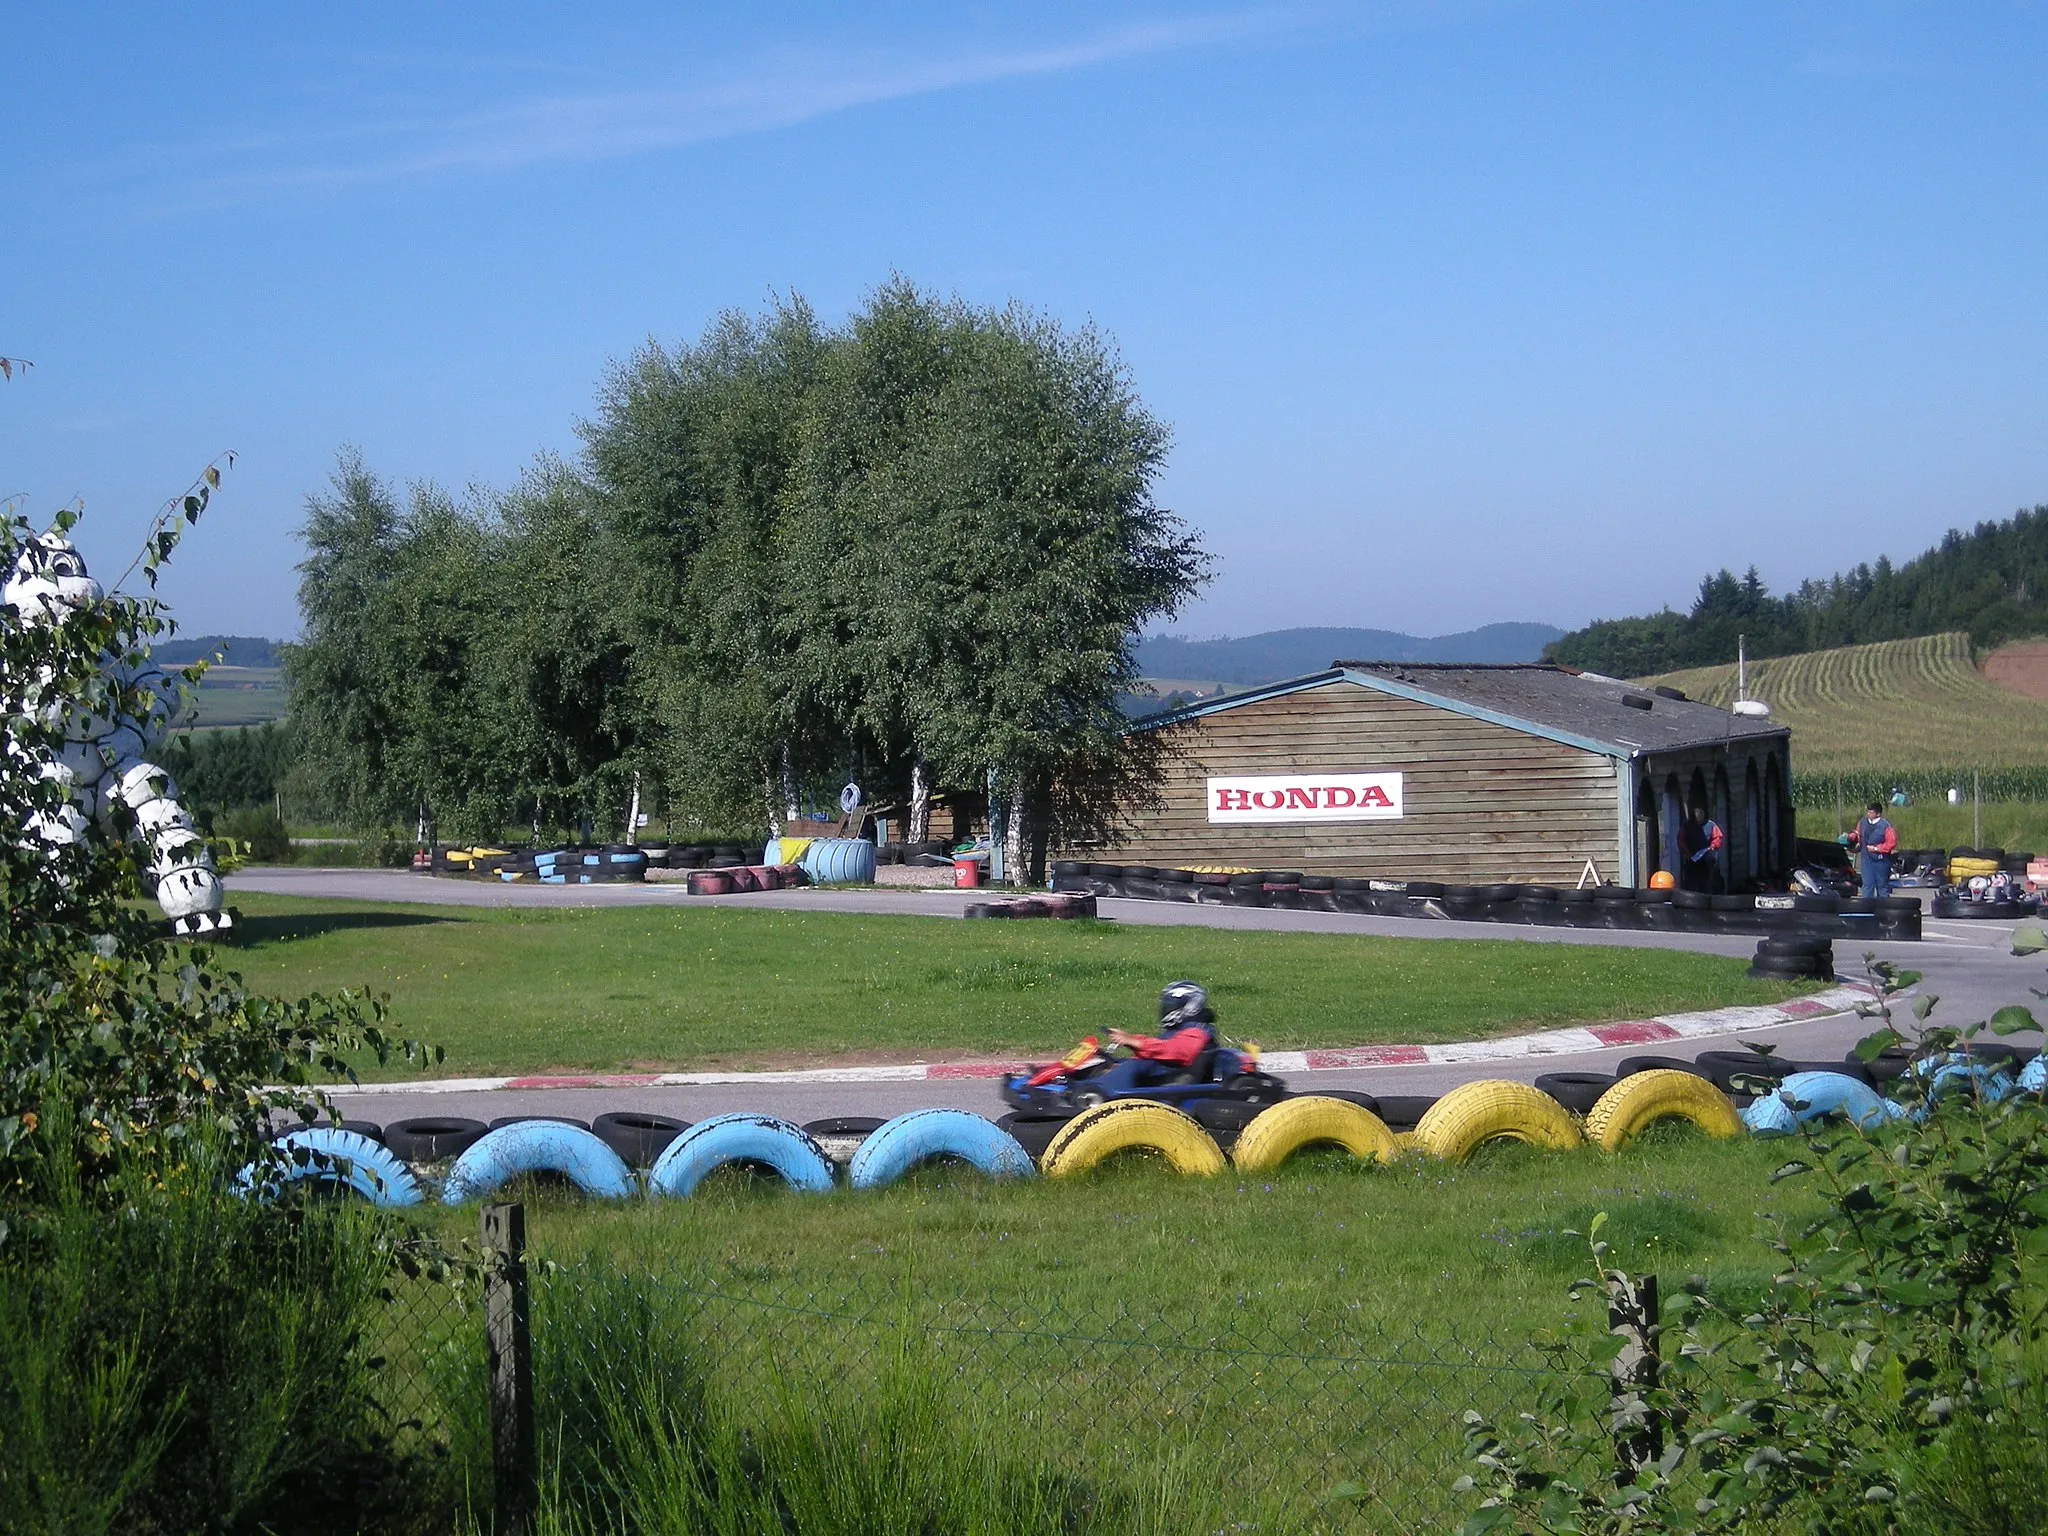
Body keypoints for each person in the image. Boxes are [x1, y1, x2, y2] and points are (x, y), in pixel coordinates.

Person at [1093, 981, 1217, 1096]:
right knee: (1106, 1061)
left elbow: (1177, 1051)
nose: (1166, 1009)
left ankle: (1096, 1092)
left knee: (1133, 1066)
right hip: (1164, 1073)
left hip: (1174, 1084)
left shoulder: (1197, 1031)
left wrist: (1136, 1043)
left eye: (1171, 1006)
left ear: (1190, 1007)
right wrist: (1128, 1039)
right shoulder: (1181, 1029)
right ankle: (1086, 1084)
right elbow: (1160, 1045)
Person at [1847, 801, 1898, 898]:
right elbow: (1857, 834)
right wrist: (1851, 837)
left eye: (1871, 812)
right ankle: (1867, 909)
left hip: (1881, 860)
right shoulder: (1862, 822)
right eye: (1868, 812)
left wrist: (1876, 848)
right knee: (1867, 885)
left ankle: (1884, 909)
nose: (1868, 814)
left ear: (1878, 814)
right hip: (1866, 859)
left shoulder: (1886, 826)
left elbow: (1891, 843)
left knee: (1882, 886)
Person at [1679, 804, 1726, 894]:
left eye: (1700, 815)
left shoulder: (1711, 825)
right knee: (1691, 879)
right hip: (1692, 857)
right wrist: (1687, 852)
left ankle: (1708, 893)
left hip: (1707, 857)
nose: (1699, 818)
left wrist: (1712, 846)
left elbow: (1718, 837)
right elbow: (1680, 839)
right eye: (1697, 815)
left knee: (1707, 879)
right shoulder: (1687, 826)